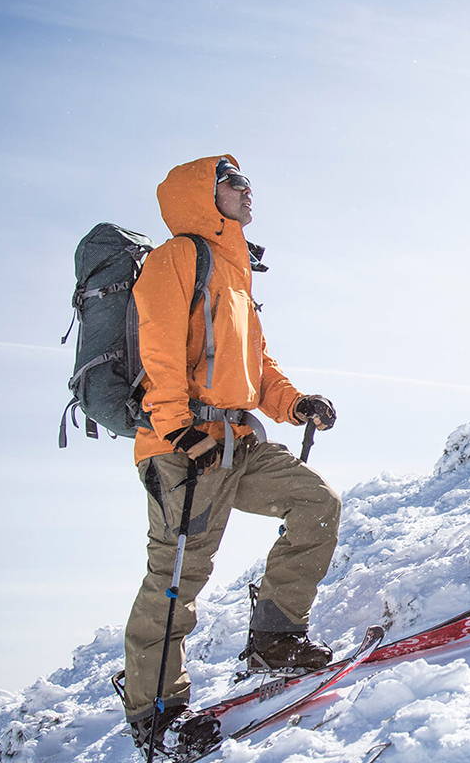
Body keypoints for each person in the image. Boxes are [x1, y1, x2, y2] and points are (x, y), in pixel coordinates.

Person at [121, 155, 341, 757]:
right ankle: (156, 712)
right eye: (235, 183)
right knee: (177, 578)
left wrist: (295, 405)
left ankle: (274, 636)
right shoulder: (177, 260)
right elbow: (158, 349)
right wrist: (175, 429)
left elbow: (255, 369)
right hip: (183, 450)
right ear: (203, 193)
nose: (248, 192)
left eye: (248, 182)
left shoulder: (237, 271)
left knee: (315, 503)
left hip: (237, 446)